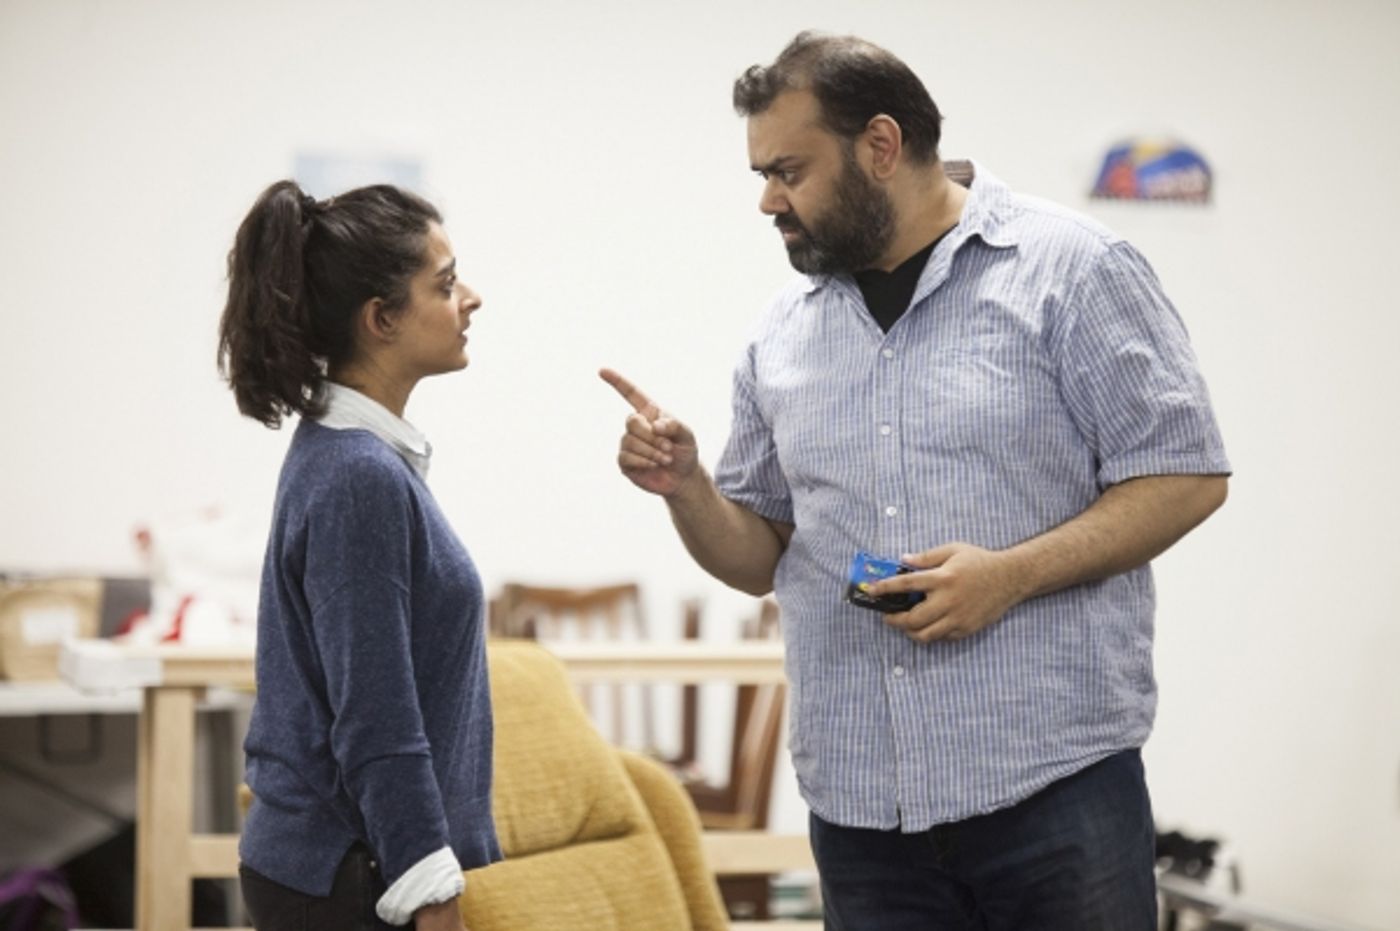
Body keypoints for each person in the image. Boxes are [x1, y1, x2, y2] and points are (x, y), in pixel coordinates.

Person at [602, 31, 1230, 931]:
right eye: (761, 177)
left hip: (1054, 794)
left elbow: (1186, 474)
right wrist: (689, 487)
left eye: (789, 170)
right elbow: (757, 556)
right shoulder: (781, 332)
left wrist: (1010, 575)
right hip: (863, 814)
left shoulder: (1074, 272)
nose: (769, 201)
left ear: (881, 147)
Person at [218, 180, 499, 930]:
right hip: (347, 875)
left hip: (340, 866)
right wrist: (429, 889)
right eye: (444, 285)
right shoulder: (357, 477)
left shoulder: (353, 458)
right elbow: (376, 715)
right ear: (381, 319)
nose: (470, 298)